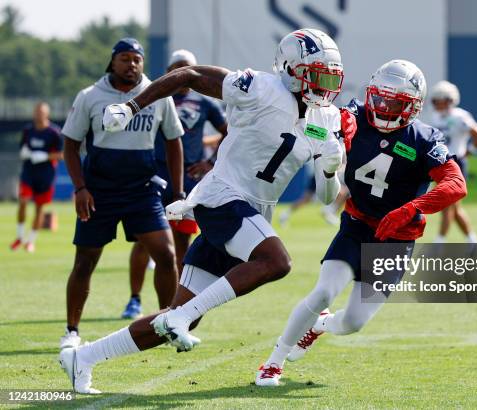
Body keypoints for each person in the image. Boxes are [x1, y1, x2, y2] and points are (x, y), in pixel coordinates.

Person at [59, 28, 345, 394]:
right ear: (290, 68)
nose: (323, 86)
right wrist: (132, 107)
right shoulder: (259, 87)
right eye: (316, 75)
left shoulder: (327, 119)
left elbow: (326, 197)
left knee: (177, 319)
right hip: (222, 197)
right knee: (277, 262)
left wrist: (329, 169)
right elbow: (189, 76)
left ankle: (82, 358)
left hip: (253, 213)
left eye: (329, 77)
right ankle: (180, 316)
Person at [255, 60, 468, 386]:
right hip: (357, 223)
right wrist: (328, 135)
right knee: (324, 292)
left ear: (412, 107)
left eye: (393, 103)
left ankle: (318, 326)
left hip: (397, 238)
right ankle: (273, 362)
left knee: (354, 322)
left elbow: (456, 184)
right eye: (378, 99)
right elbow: (311, 126)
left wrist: (412, 207)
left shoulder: (424, 139)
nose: (382, 108)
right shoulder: (352, 116)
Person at [59, 38, 185, 351]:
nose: (132, 64)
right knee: (85, 262)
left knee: (167, 256)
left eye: (137, 59)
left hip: (141, 191)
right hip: (98, 192)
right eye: (125, 58)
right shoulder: (90, 96)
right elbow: (71, 146)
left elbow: (174, 141)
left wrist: (178, 190)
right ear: (112, 62)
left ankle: (170, 324)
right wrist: (80, 188)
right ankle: (72, 331)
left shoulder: (157, 94)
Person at [122, 49, 228, 320]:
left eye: (187, 67)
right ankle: (134, 299)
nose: (182, 73)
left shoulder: (205, 103)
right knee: (145, 241)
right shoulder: (155, 97)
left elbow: (229, 131)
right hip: (154, 177)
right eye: (177, 67)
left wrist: (210, 162)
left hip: (189, 181)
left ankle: (177, 303)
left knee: (182, 242)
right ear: (169, 71)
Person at [427, 80, 477, 244]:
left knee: (448, 205)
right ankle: (473, 241)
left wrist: (467, 153)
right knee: (453, 207)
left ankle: (439, 243)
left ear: (450, 100)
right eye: (436, 99)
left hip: (456, 164)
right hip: (439, 165)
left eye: (442, 99)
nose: (438, 102)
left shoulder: (460, 116)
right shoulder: (434, 116)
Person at [10, 102, 63, 253]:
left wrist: (45, 156)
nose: (38, 115)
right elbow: (23, 148)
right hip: (28, 172)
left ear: (47, 114)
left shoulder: (54, 132)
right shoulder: (28, 130)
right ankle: (20, 237)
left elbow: (61, 155)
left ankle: (31, 241)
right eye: (36, 112)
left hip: (45, 175)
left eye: (41, 112)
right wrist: (24, 152)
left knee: (39, 208)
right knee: (23, 201)